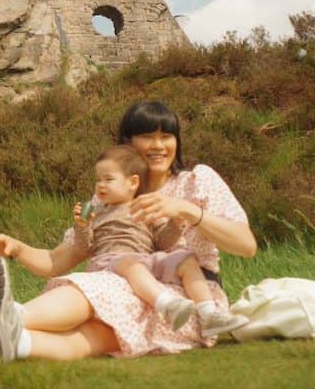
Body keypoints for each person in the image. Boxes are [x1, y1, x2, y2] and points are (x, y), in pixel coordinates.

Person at [0, 100, 257, 361]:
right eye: (147, 136)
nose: (158, 146)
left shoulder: (196, 180)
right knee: (95, 336)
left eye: (166, 136)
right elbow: (58, 261)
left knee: (105, 289)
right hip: (127, 291)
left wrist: (186, 210)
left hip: (186, 302)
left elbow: (246, 245)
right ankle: (4, 342)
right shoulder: (106, 199)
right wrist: (17, 248)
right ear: (127, 144)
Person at [71, 144, 247, 336]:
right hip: (110, 263)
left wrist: (174, 224)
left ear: (132, 182)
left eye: (108, 179)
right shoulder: (97, 214)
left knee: (186, 258)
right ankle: (167, 305)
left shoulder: (146, 208)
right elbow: (84, 247)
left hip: (145, 261)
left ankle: (209, 314)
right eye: (98, 180)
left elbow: (163, 243)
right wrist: (82, 226)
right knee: (130, 262)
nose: (101, 185)